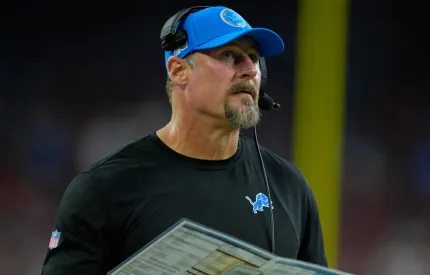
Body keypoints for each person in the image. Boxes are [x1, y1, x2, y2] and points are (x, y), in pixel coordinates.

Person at [41, 6, 328, 275]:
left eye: (253, 57)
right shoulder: (105, 189)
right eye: (229, 55)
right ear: (179, 71)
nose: (250, 70)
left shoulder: (289, 187)